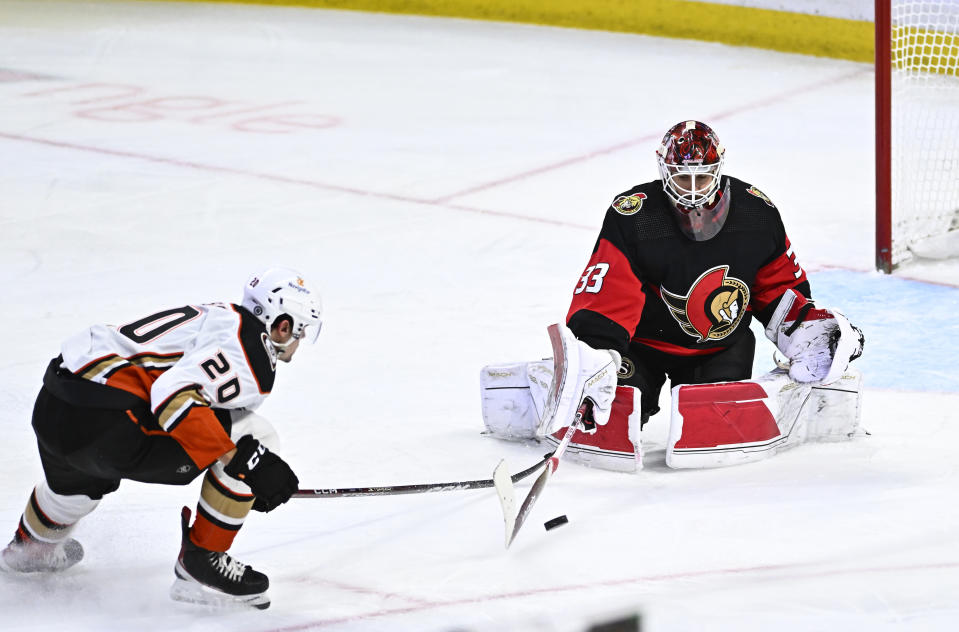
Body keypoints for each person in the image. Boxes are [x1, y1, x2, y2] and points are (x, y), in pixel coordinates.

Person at [0, 267, 323, 610]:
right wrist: (243, 464)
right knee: (255, 437)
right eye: (299, 333)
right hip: (107, 423)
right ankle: (202, 560)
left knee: (75, 488)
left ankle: (31, 548)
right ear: (282, 326)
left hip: (55, 403)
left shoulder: (220, 315)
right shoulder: (250, 353)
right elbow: (174, 395)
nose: (298, 343)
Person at [565, 120, 864, 428]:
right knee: (609, 418)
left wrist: (806, 327)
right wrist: (598, 351)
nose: (693, 191)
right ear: (664, 170)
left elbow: (777, 287)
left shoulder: (755, 214)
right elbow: (611, 289)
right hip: (642, 347)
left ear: (718, 169)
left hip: (719, 348)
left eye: (703, 178)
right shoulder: (635, 217)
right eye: (683, 179)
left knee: (714, 428)